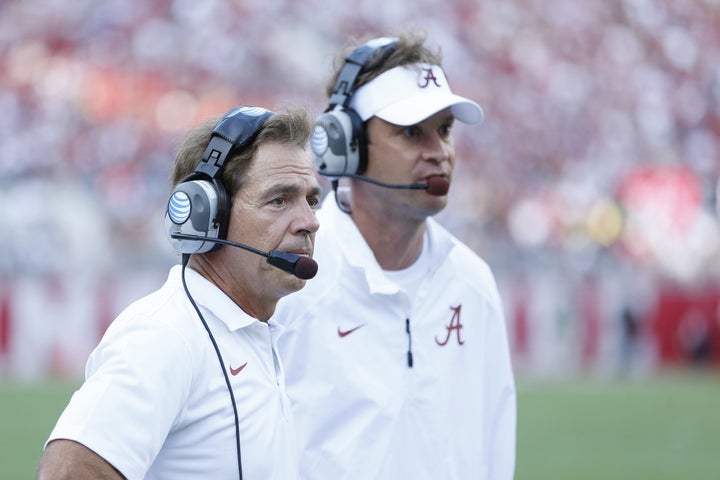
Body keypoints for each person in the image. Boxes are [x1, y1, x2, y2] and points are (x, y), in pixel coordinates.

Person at [272, 30, 517, 479]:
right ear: (345, 145)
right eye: (411, 132)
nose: (439, 152)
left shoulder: (472, 283)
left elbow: (494, 449)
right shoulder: (288, 286)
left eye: (444, 130)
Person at [37, 105, 322, 480]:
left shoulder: (253, 331)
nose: (310, 222)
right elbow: (69, 471)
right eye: (279, 200)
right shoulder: (165, 335)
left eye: (311, 200)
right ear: (207, 216)